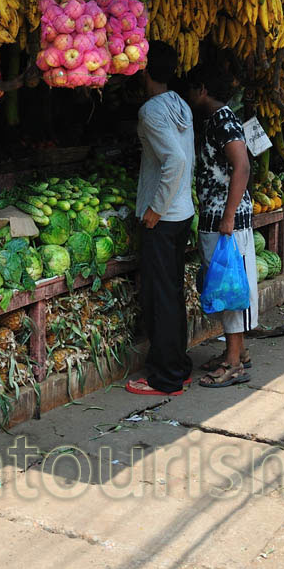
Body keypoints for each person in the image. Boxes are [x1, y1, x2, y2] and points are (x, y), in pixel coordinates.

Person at [125, 41, 196, 397]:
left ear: (144, 69)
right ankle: (178, 367)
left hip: (163, 216)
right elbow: (187, 159)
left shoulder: (151, 111)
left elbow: (176, 161)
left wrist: (154, 208)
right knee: (172, 291)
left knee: (161, 296)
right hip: (181, 212)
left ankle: (165, 378)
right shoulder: (180, 104)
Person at [183, 64, 257, 388]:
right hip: (218, 218)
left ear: (201, 89)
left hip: (226, 221)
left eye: (190, 89)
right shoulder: (216, 119)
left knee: (229, 289)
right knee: (226, 287)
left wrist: (227, 217)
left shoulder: (223, 119)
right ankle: (234, 353)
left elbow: (242, 166)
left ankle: (233, 362)